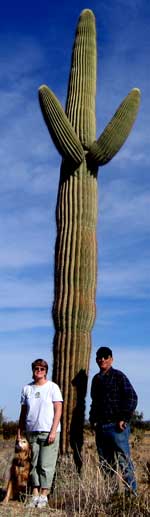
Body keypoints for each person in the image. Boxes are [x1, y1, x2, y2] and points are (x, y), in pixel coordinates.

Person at [89, 346, 138, 494]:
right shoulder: (96, 379)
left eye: (105, 356)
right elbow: (94, 402)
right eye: (99, 357)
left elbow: (132, 397)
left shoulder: (118, 376)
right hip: (101, 428)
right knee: (106, 464)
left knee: (124, 462)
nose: (102, 359)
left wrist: (124, 418)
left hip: (117, 427)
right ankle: (113, 496)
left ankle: (131, 496)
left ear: (111, 359)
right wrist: (93, 420)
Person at [17, 358, 63, 508]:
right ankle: (35, 494)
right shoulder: (27, 389)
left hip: (48, 431)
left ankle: (44, 495)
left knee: (46, 464)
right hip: (31, 432)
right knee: (33, 464)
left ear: (46, 371)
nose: (39, 371)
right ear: (33, 370)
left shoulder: (52, 388)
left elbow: (58, 409)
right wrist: (20, 432)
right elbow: (23, 413)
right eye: (36, 368)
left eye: (42, 369)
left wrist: (53, 430)